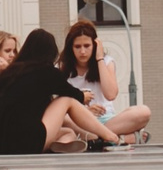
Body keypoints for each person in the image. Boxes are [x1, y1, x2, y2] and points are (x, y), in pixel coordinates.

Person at [0, 29, 129, 155]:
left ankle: (64, 145)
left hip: (1, 144)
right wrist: (83, 96)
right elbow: (71, 94)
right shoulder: (47, 72)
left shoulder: (9, 72)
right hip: (29, 143)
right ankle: (112, 138)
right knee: (65, 101)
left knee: (68, 133)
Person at [54, 21, 150, 149]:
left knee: (143, 112)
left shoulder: (107, 62)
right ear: (71, 48)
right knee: (61, 119)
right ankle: (111, 138)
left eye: (87, 46)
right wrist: (85, 112)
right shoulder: (61, 68)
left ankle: (98, 138)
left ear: (95, 45)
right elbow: (59, 106)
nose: (82, 51)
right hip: (78, 122)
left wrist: (99, 58)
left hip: (107, 120)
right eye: (78, 46)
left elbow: (111, 94)